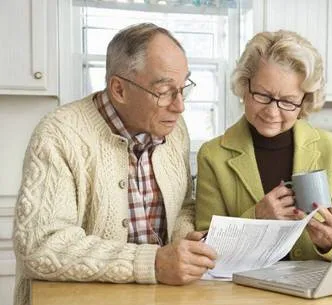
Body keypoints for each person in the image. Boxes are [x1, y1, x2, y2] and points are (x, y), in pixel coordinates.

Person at [13, 23, 216, 305]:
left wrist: (185, 243)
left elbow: (182, 205)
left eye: (183, 88)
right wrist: (153, 263)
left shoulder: (175, 129)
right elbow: (40, 247)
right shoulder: (58, 134)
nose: (179, 106)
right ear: (119, 89)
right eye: (165, 91)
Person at [195, 30, 332, 262]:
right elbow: (203, 245)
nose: (272, 112)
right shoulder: (213, 155)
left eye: (288, 101)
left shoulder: (329, 148)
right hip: (244, 292)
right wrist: (256, 218)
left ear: (304, 101)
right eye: (262, 95)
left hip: (313, 293)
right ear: (245, 86)